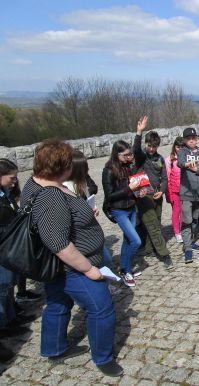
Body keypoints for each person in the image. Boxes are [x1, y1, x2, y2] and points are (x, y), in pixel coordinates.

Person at [20, 140, 123, 376]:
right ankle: (103, 358)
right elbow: (58, 242)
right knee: (102, 308)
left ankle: (54, 348)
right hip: (73, 268)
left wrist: (83, 212)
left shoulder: (34, 183)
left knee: (58, 304)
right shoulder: (50, 197)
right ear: (62, 167)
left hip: (55, 268)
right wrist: (88, 269)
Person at [0, 159, 38, 362]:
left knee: (7, 287)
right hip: (3, 248)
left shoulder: (6, 194)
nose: (15, 182)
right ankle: (4, 324)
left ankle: (11, 316)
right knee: (2, 287)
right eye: (11, 178)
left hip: (8, 247)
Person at [103, 141, 148, 288]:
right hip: (119, 210)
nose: (129, 157)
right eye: (126, 155)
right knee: (136, 241)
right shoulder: (108, 170)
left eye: (130, 154)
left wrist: (138, 192)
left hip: (132, 207)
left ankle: (126, 269)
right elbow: (109, 195)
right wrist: (129, 188)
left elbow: (132, 187)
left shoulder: (127, 167)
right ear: (117, 155)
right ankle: (124, 270)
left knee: (128, 240)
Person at [64, 150, 113, 268]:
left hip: (91, 226)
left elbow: (87, 198)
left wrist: (93, 208)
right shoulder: (66, 187)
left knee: (105, 259)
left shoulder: (81, 182)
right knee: (101, 260)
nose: (88, 170)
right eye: (85, 167)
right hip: (80, 234)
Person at [132, 116, 170, 262]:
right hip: (144, 195)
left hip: (157, 194)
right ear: (146, 144)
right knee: (153, 224)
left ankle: (149, 248)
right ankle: (163, 253)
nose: (152, 149)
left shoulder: (160, 159)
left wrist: (162, 190)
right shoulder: (142, 156)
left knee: (156, 222)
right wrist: (139, 132)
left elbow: (165, 177)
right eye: (150, 146)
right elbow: (136, 149)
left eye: (155, 146)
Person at [177, 128, 199, 263]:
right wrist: (187, 164)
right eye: (188, 138)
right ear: (184, 140)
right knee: (186, 220)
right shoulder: (183, 152)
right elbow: (180, 163)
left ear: (197, 139)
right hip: (186, 193)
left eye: (193, 138)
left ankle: (190, 241)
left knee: (195, 219)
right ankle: (187, 249)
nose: (191, 140)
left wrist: (196, 169)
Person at [165, 137, 185, 243]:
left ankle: (183, 229)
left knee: (184, 211)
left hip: (185, 190)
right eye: (178, 147)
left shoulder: (187, 157)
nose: (180, 149)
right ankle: (177, 232)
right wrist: (169, 194)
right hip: (174, 190)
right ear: (174, 147)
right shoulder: (169, 160)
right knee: (176, 211)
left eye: (182, 147)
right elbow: (167, 177)